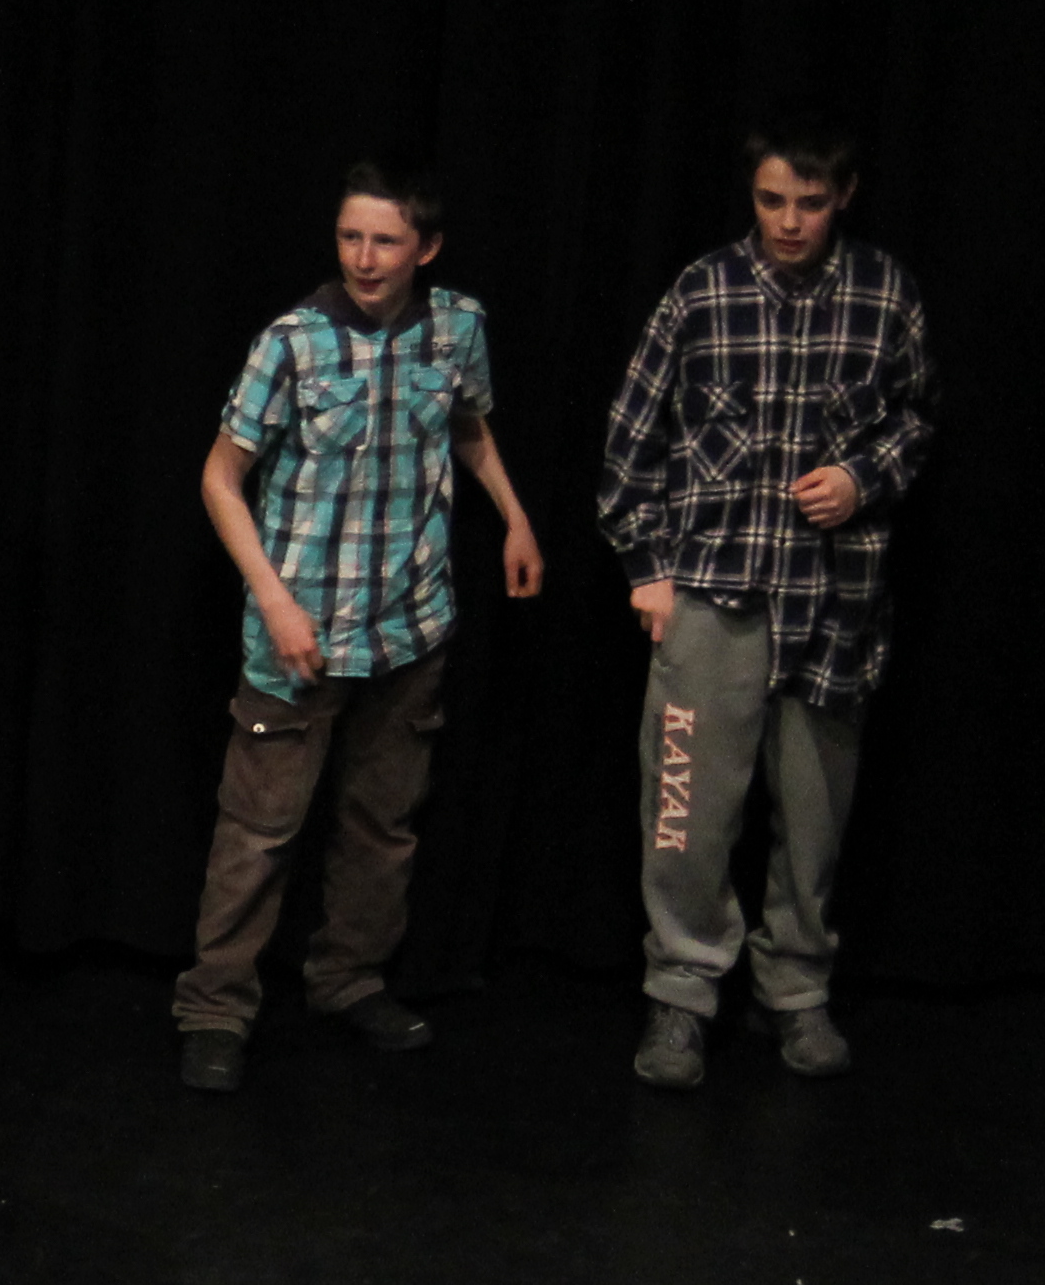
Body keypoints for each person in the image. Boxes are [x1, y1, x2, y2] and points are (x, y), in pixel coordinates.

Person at [176, 159, 542, 1091]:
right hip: (302, 627)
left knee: (383, 824)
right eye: (350, 237)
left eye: (385, 241)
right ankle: (216, 1006)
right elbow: (220, 477)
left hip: (409, 622)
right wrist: (273, 598)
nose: (364, 258)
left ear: (427, 247)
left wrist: (514, 517)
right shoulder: (293, 343)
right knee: (259, 831)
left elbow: (468, 426)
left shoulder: (456, 327)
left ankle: (349, 979)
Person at [597, 120, 936, 1089]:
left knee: (816, 815)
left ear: (845, 196)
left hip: (834, 598)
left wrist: (864, 477)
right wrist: (646, 568)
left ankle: (796, 986)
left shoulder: (884, 293)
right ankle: (682, 988)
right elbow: (630, 440)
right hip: (716, 592)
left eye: (811, 204)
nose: (789, 222)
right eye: (772, 200)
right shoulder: (703, 292)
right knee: (687, 813)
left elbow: (916, 419)